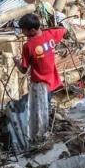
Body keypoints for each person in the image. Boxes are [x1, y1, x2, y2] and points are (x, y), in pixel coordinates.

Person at [14, 13, 66, 142]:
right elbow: (63, 30)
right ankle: (45, 130)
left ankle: (42, 138)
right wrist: (48, 29)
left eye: (24, 30)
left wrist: (16, 62)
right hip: (52, 82)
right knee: (45, 107)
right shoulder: (50, 35)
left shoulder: (29, 46)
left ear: (31, 30)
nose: (22, 32)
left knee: (41, 112)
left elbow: (24, 69)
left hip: (40, 86)